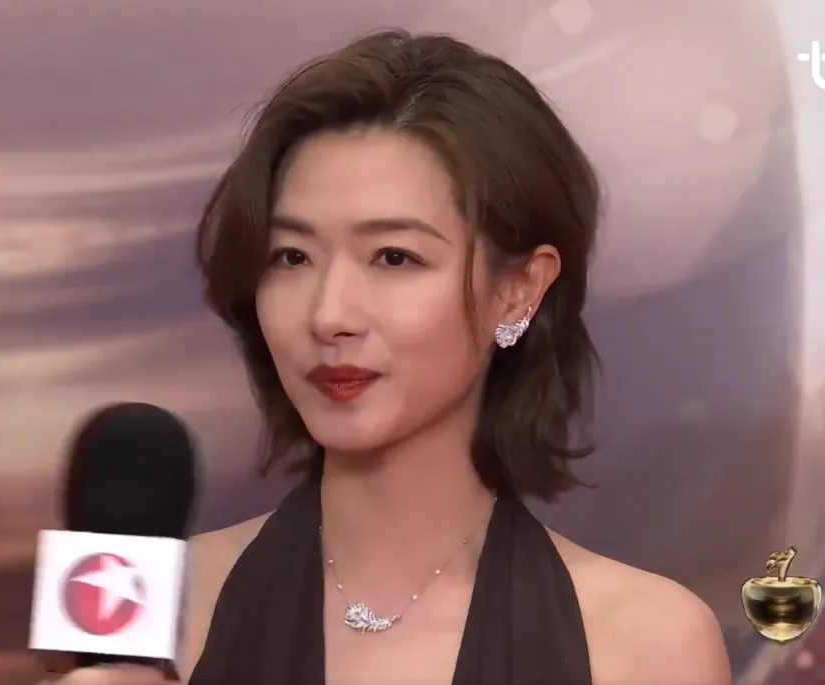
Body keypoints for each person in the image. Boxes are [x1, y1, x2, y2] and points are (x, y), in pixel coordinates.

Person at [51, 29, 732, 685]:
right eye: (292, 257)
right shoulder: (152, 612)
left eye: (394, 257)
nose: (329, 314)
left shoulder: (642, 643)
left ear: (518, 289)